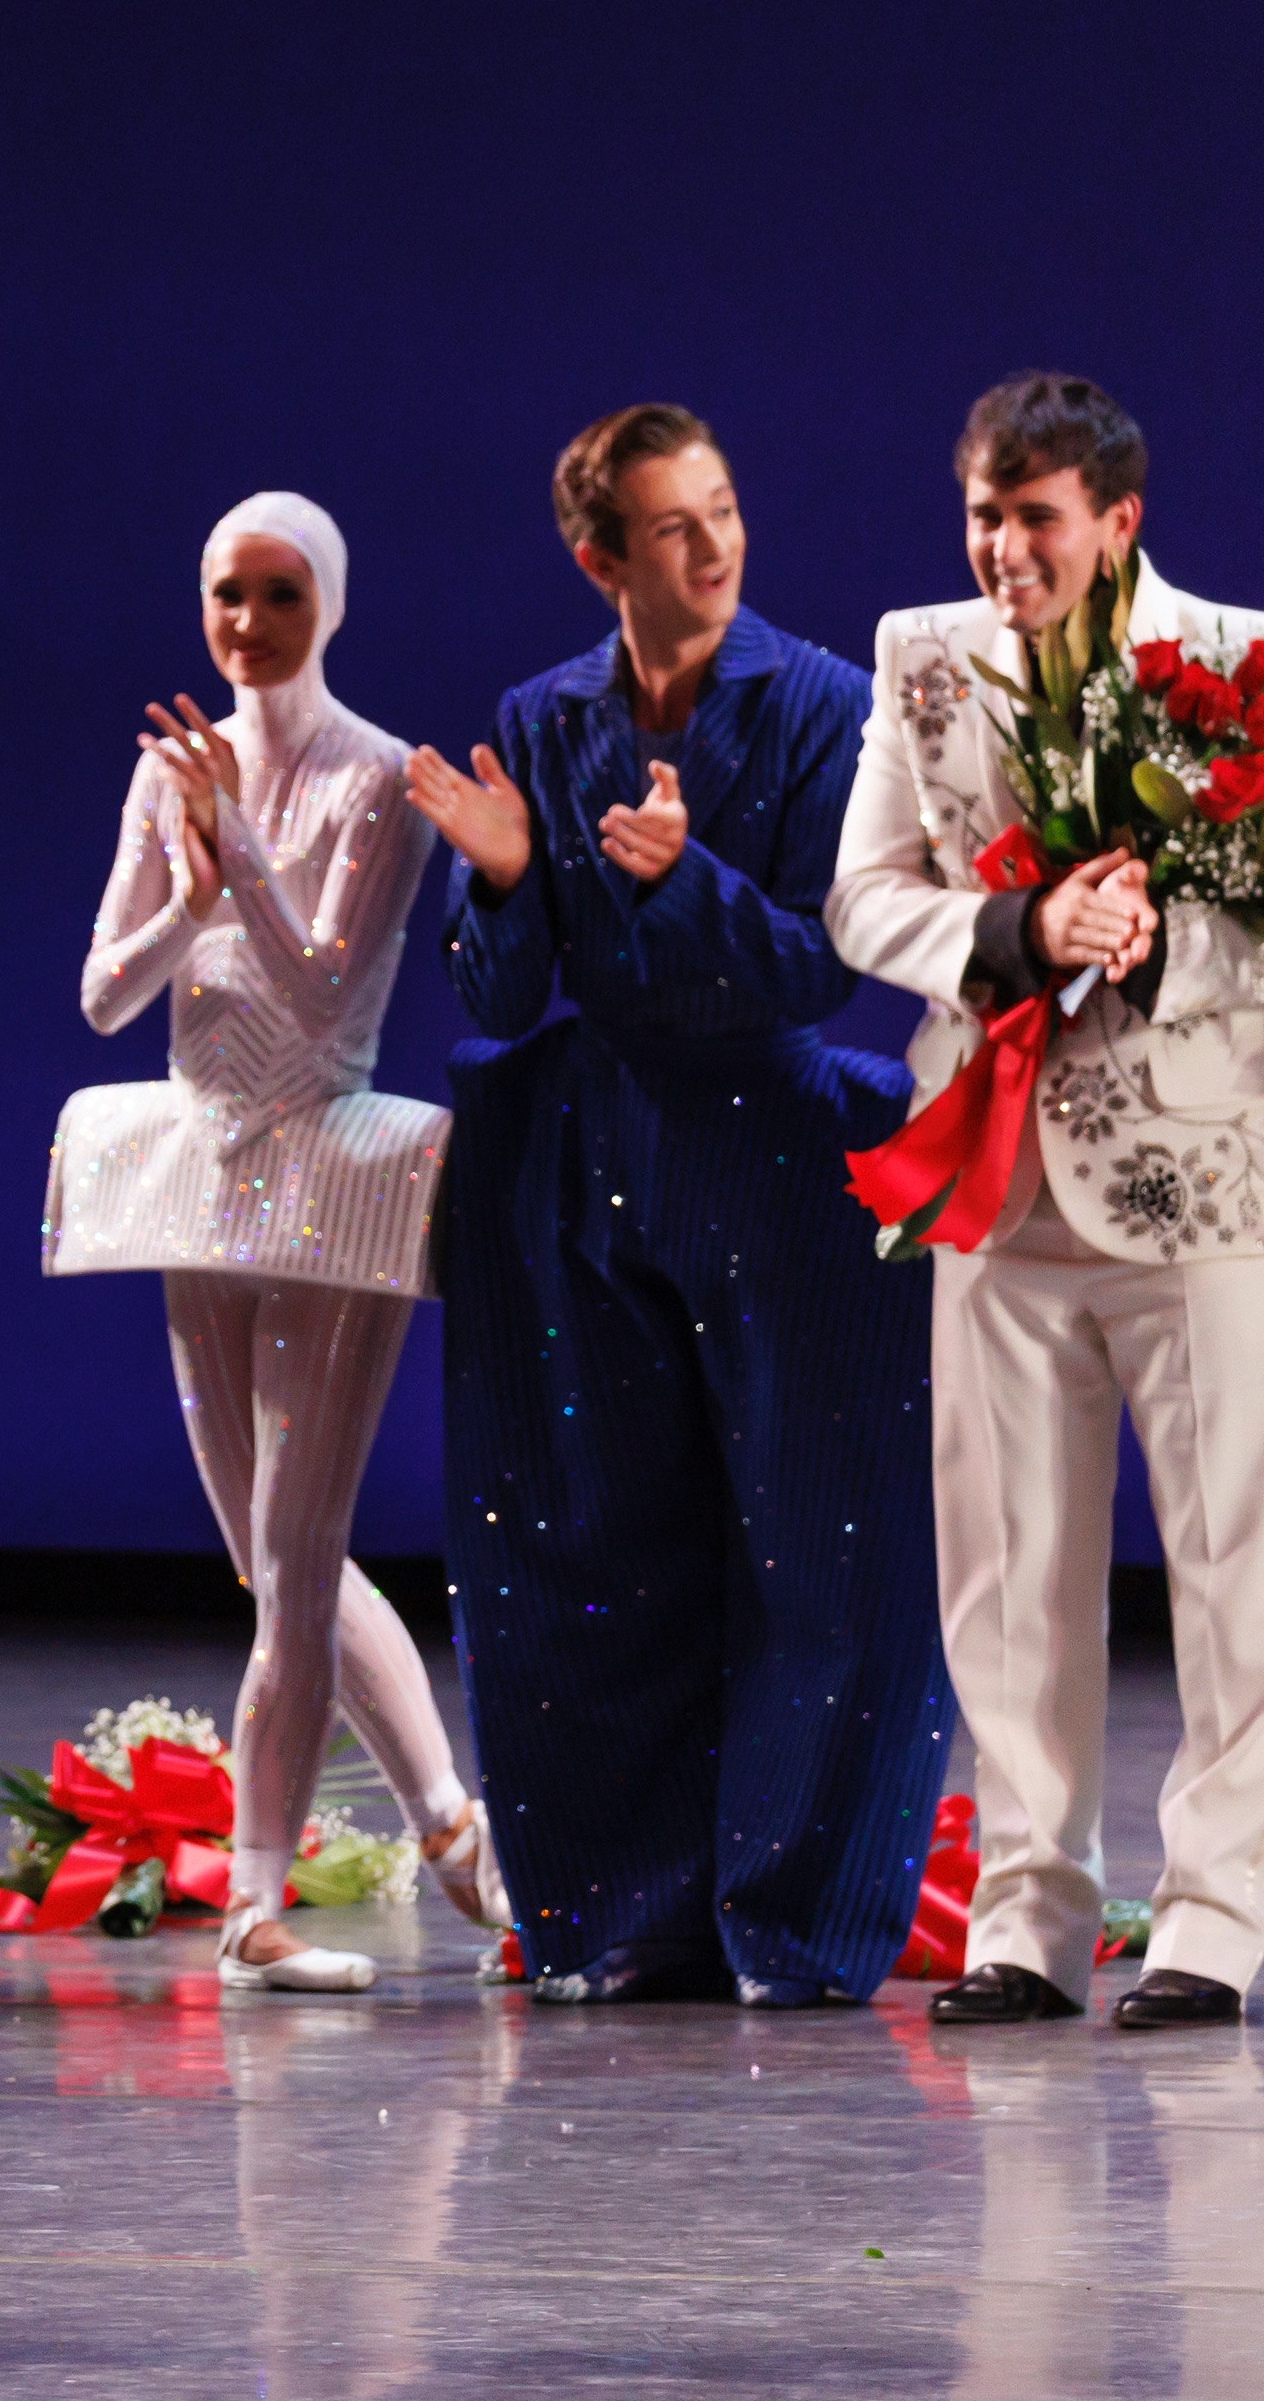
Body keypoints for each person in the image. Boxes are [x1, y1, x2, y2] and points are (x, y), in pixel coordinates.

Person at [404, 403, 948, 2007]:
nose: (712, 549)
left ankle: (797, 1922)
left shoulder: (826, 706)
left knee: (825, 1545)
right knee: (587, 1542)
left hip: (779, 1152)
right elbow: (501, 998)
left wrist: (678, 878)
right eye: (670, 529)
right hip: (585, 1156)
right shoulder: (547, 716)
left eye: (722, 513)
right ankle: (624, 1910)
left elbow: (829, 958)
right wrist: (507, 879)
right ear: (598, 557)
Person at [828, 373, 1264, 2032]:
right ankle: (1027, 1924)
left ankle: (1208, 1928)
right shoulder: (921, 658)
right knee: (1005, 1567)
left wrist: (1165, 945)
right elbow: (862, 897)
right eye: (982, 511)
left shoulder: (1260, 661)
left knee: (1233, 1558)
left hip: (1197, 1167)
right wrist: (1020, 933)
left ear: (1119, 521)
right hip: (995, 1166)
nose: (1000, 548)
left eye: (1034, 516)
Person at [47, 491, 507, 1988]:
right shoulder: (167, 773)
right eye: (226, 596)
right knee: (269, 1561)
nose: (247, 627)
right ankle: (448, 1827)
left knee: (299, 1556)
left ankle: (252, 1908)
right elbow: (108, 994)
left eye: (279, 597)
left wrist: (232, 841)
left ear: (332, 606)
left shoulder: (377, 778)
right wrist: (188, 892)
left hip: (325, 1178)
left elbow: (323, 990)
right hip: (207, 1173)